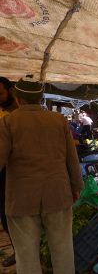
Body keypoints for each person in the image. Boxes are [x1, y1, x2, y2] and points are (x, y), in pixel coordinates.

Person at [0, 79, 83, 273]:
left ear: (17, 98)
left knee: (26, 255)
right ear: (40, 98)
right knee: (63, 250)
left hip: (22, 199)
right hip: (58, 194)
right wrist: (76, 187)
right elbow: (72, 159)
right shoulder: (58, 120)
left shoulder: (7, 122)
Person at [0, 77, 17, 267]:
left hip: (15, 171)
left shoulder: (18, 116)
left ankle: (25, 252)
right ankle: (18, 250)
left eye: (1, 93)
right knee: (4, 214)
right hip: (3, 171)